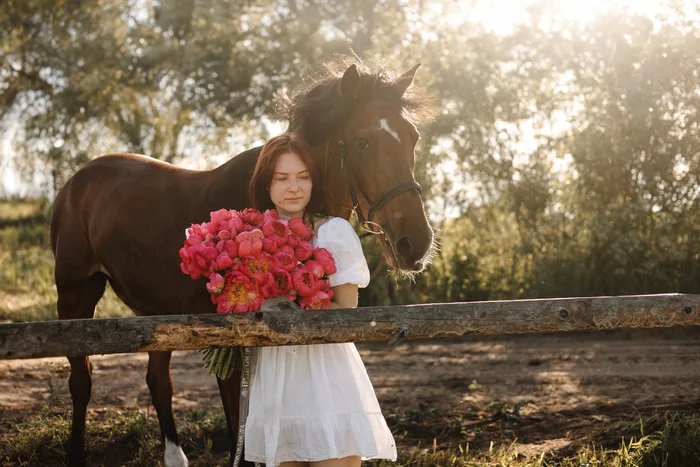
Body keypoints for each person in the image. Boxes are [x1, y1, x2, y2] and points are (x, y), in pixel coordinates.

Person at [243, 133, 397, 467]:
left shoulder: (332, 232)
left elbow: (347, 310)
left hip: (326, 375)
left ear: (314, 181)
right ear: (266, 185)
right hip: (276, 377)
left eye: (303, 177)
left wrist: (298, 308)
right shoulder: (248, 239)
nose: (293, 187)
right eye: (281, 178)